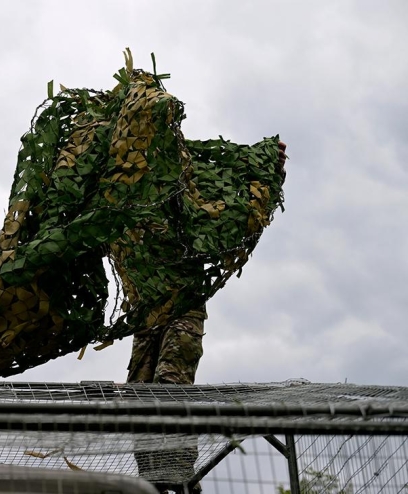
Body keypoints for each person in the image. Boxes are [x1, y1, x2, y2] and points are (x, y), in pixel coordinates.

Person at [125, 141, 288, 494]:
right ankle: (154, 482)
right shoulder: (136, 187)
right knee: (138, 394)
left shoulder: (192, 187)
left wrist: (270, 166)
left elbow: (242, 202)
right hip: (148, 309)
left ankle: (181, 478)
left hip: (184, 303)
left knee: (171, 389)